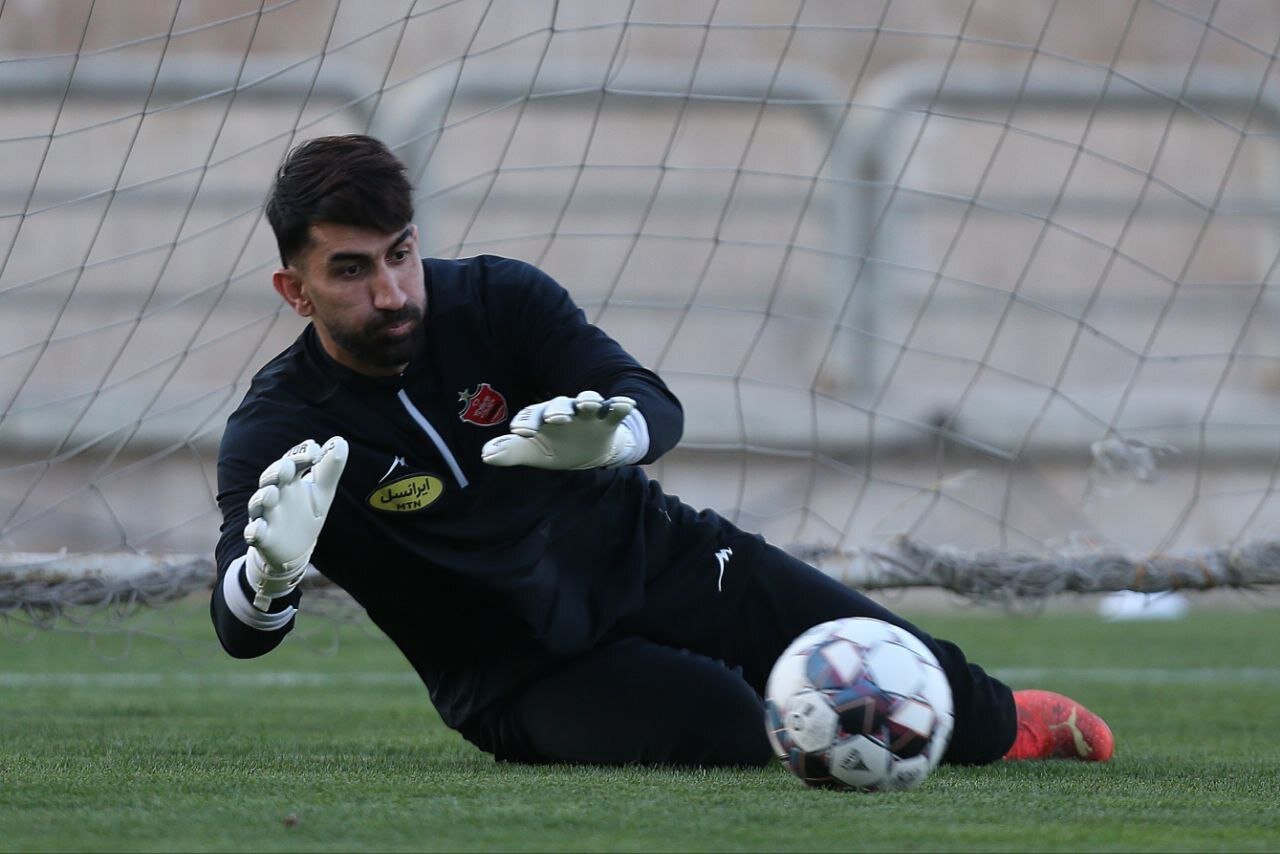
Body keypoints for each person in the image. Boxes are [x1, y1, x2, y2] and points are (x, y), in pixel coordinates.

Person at [211, 134, 1114, 769]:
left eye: (400, 254)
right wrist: (270, 577)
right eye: (352, 269)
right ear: (296, 291)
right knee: (729, 726)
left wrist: (616, 435)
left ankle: (1009, 724)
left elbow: (651, 399)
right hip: (522, 676)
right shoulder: (275, 429)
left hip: (666, 562)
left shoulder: (499, 299)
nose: (392, 291)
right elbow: (238, 633)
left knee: (912, 680)